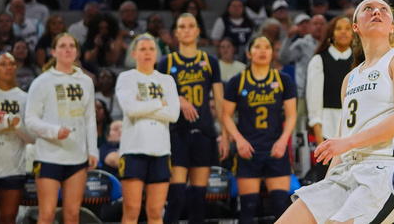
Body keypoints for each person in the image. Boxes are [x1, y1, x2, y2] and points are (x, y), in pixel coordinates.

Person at [280, 0, 394, 224]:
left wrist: (347, 143)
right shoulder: (350, 77)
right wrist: (328, 180)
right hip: (346, 169)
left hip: (383, 168)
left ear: (392, 26)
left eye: (383, 9)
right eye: (368, 8)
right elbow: (342, 137)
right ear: (356, 26)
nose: (376, 12)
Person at [158, 14, 229, 224]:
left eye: (191, 26)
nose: (187, 30)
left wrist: (224, 135)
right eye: (182, 26)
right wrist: (178, 98)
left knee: (199, 198)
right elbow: (157, 96)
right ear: (176, 33)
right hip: (177, 134)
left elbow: (220, 100)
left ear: (198, 31)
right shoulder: (166, 62)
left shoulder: (210, 61)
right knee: (177, 197)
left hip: (204, 134)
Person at [222, 36, 298, 224]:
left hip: (276, 149)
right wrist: (238, 140)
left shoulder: (283, 80)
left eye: (267, 47)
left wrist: (283, 140)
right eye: (257, 47)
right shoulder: (237, 81)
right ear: (249, 53)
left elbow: (291, 115)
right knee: (248, 207)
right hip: (248, 150)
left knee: (281, 206)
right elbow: (225, 115)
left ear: (273, 53)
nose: (262, 51)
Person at [25, 33, 98, 224]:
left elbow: (90, 118)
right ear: (53, 51)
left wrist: (92, 150)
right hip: (49, 156)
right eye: (63, 46)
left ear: (77, 51)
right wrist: (54, 131)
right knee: (47, 214)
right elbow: (30, 119)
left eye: (72, 46)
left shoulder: (86, 82)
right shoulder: (42, 81)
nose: (68, 50)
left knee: (73, 214)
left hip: (77, 156)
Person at [116, 35, 180, 224]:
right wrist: (159, 102)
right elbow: (130, 109)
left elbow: (173, 114)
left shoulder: (166, 80)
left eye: (151, 49)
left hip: (160, 151)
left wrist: (143, 106)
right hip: (133, 150)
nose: (147, 53)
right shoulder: (126, 78)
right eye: (143, 49)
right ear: (134, 53)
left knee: (155, 211)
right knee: (132, 210)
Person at [0, 52, 34, 224]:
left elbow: (32, 137)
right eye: (3, 64)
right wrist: (7, 122)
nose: (8, 67)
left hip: (13, 166)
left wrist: (17, 125)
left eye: (11, 64)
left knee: (9, 218)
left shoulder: (25, 98)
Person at [305, 16, 354, 143]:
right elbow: (313, 99)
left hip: (356, 129)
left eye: (347, 29)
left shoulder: (360, 60)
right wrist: (318, 134)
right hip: (328, 127)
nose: (343, 32)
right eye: (338, 28)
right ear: (331, 33)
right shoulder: (319, 60)